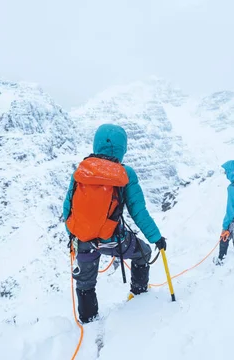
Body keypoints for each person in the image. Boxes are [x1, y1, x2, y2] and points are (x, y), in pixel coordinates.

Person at [63, 124, 166, 324]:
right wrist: (156, 238)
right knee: (143, 253)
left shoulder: (82, 170)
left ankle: (88, 321)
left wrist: (75, 233)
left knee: (85, 282)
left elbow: (67, 208)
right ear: (122, 148)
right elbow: (138, 211)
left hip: (83, 238)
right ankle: (139, 296)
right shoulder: (125, 173)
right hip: (112, 239)